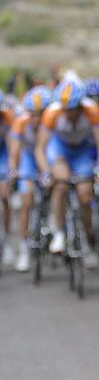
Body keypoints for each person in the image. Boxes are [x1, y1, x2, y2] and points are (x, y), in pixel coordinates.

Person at [35, 80, 99, 268]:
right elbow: (40, 148)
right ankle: (59, 232)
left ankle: (87, 234)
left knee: (85, 193)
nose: (69, 112)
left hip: (81, 152)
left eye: (73, 108)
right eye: (65, 108)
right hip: (59, 150)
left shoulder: (91, 111)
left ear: (80, 105)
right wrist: (45, 172)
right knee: (60, 184)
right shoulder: (52, 113)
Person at [7, 86, 54, 272]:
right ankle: (24, 249)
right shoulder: (20, 123)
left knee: (56, 184)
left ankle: (54, 220)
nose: (36, 119)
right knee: (26, 200)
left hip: (48, 157)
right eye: (32, 114)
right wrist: (13, 170)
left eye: (40, 114)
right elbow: (14, 152)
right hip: (28, 159)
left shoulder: (53, 122)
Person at [0, 90, 17, 265]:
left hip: (3, 155)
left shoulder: (7, 118)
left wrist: (12, 168)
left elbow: (13, 146)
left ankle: (7, 241)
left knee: (4, 195)